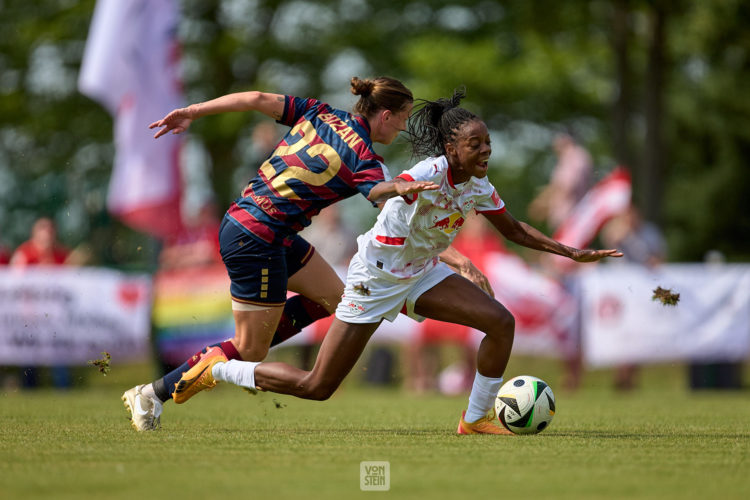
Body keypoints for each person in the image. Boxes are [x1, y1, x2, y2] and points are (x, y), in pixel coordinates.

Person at [174, 89, 622, 435]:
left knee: (500, 323)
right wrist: (400, 192)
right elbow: (390, 204)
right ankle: (221, 367)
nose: (486, 151)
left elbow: (516, 230)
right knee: (317, 387)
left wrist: (572, 251)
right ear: (451, 148)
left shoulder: (479, 187)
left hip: (420, 274)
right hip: (376, 278)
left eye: (488, 142)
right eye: (475, 144)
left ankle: (475, 419)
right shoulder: (424, 175)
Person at [122, 76, 442, 431]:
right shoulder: (362, 156)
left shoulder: (320, 112)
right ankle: (153, 393)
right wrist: (397, 187)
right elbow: (378, 191)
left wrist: (193, 111)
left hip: (256, 226)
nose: (402, 126)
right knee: (251, 351)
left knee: (338, 300)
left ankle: (229, 351)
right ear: (385, 115)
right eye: (403, 117)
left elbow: (256, 97)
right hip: (258, 237)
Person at [10, 217, 72, 388]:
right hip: (29, 315)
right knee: (29, 358)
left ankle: (63, 390)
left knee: (59, 355)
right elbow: (15, 283)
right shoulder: (25, 254)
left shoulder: (62, 254)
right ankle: (30, 389)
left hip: (56, 316)